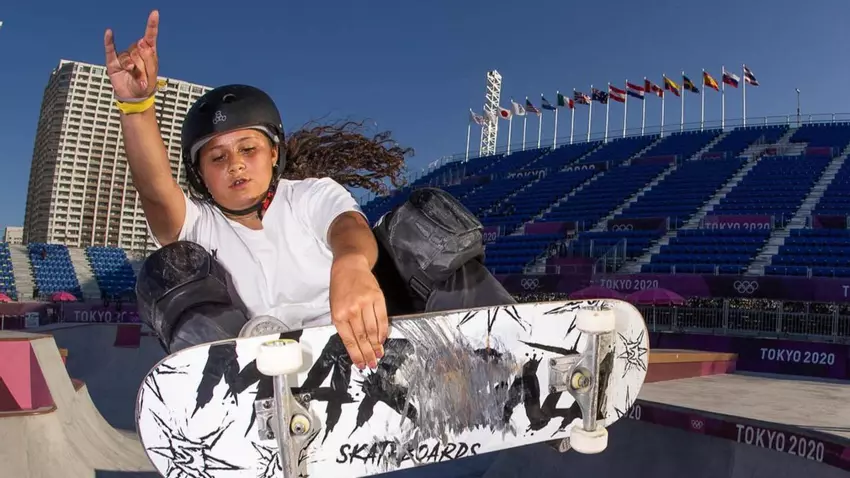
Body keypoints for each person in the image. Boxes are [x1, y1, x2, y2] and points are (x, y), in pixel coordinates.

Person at [104, 10, 387, 370]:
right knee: (167, 270)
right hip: (245, 374)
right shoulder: (198, 224)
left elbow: (348, 227)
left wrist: (351, 262)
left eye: (248, 150)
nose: (235, 165)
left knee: (421, 222)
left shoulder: (308, 196)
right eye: (218, 158)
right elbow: (155, 190)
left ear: (273, 154)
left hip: (347, 354)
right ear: (200, 174)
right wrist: (135, 108)